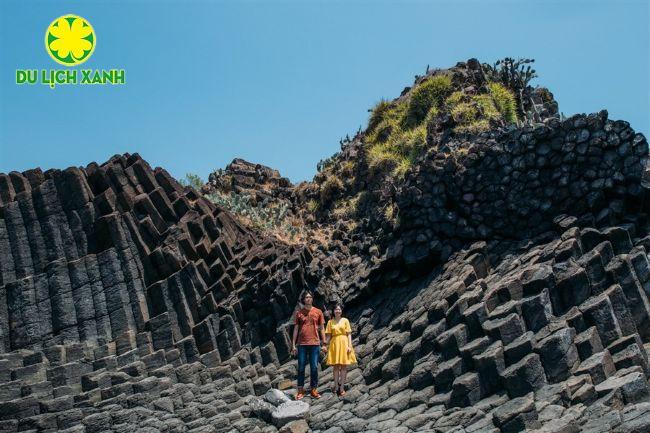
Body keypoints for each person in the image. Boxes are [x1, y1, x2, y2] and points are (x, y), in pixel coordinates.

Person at [291, 291, 326, 400]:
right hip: (301, 344)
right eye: (306, 297)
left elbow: (321, 328)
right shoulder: (299, 313)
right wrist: (293, 345)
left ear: (312, 299)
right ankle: (300, 390)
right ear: (303, 300)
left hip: (315, 343)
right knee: (301, 367)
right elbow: (296, 329)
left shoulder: (318, 312)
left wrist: (324, 343)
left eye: (310, 297)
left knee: (314, 367)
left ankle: (313, 389)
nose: (308, 299)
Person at [324, 303, 357, 396]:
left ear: (341, 311)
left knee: (343, 366)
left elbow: (349, 334)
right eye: (336, 309)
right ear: (333, 311)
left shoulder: (345, 320)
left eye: (339, 309)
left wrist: (349, 346)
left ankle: (342, 387)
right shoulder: (330, 322)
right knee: (335, 367)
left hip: (344, 343)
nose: (338, 311)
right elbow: (329, 336)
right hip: (334, 344)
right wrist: (325, 345)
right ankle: (336, 386)